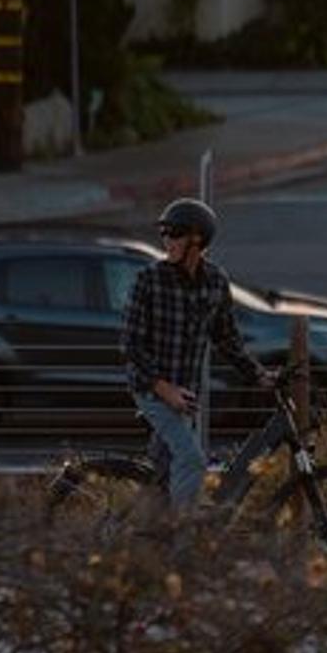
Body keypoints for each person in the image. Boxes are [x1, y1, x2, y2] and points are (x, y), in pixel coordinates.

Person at [121, 197, 273, 513]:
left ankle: (137, 539)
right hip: (152, 390)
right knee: (191, 460)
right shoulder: (148, 279)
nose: (167, 241)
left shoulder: (216, 281)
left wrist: (258, 374)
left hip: (186, 394)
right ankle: (183, 542)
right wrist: (165, 389)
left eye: (174, 233)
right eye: (164, 234)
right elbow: (131, 344)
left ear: (197, 238)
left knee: (162, 474)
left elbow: (227, 339)